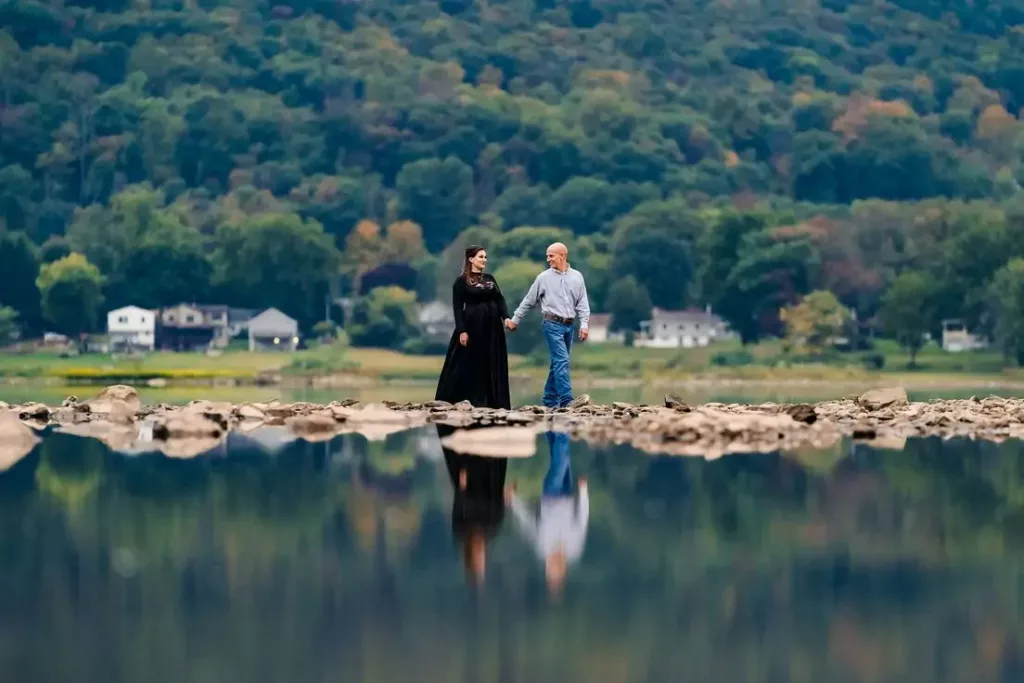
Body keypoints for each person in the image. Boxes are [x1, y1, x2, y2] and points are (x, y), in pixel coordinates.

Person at [505, 431, 589, 598]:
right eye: (556, 569)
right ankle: (554, 425)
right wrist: (583, 491)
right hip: (568, 493)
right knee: (559, 455)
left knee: (561, 459)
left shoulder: (541, 546)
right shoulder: (573, 549)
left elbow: (528, 522)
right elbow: (582, 518)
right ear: (563, 569)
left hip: (550, 494)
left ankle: (560, 424)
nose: (554, 565)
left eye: (551, 569)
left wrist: (513, 500)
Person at [506, 242, 590, 408]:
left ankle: (549, 400)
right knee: (562, 360)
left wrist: (584, 324)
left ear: (562, 256)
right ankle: (567, 400)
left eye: (551, 256)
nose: (548, 259)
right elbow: (528, 301)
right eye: (547, 256)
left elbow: (582, 303)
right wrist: (515, 319)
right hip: (552, 324)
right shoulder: (543, 278)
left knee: (558, 363)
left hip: (569, 325)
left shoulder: (577, 277)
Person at [434, 245, 512, 410]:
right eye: (480, 257)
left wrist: (506, 317)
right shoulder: (461, 282)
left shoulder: (490, 278)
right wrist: (462, 330)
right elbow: (457, 308)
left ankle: (494, 401)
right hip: (473, 325)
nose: (484, 260)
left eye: (485, 257)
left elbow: (500, 299)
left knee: (491, 360)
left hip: (492, 328)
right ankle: (465, 399)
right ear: (471, 259)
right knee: (470, 361)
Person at [438, 424, 508, 586]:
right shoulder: (490, 530)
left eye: (479, 559)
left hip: (473, 483)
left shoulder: (460, 531)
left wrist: (461, 486)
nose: (480, 553)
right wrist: (504, 494)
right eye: (481, 558)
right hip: (485, 480)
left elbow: (458, 504)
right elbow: (499, 508)